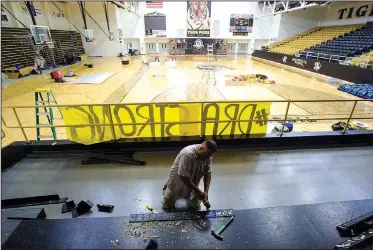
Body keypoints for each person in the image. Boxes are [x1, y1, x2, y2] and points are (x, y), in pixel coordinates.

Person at [162, 140, 217, 212]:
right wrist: (197, 190)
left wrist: (206, 192)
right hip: (178, 181)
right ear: (200, 148)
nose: (206, 158)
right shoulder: (188, 153)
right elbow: (183, 176)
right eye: (205, 156)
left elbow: (208, 172)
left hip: (193, 183)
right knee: (167, 206)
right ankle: (167, 193)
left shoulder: (208, 156)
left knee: (196, 206)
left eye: (208, 156)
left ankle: (194, 196)